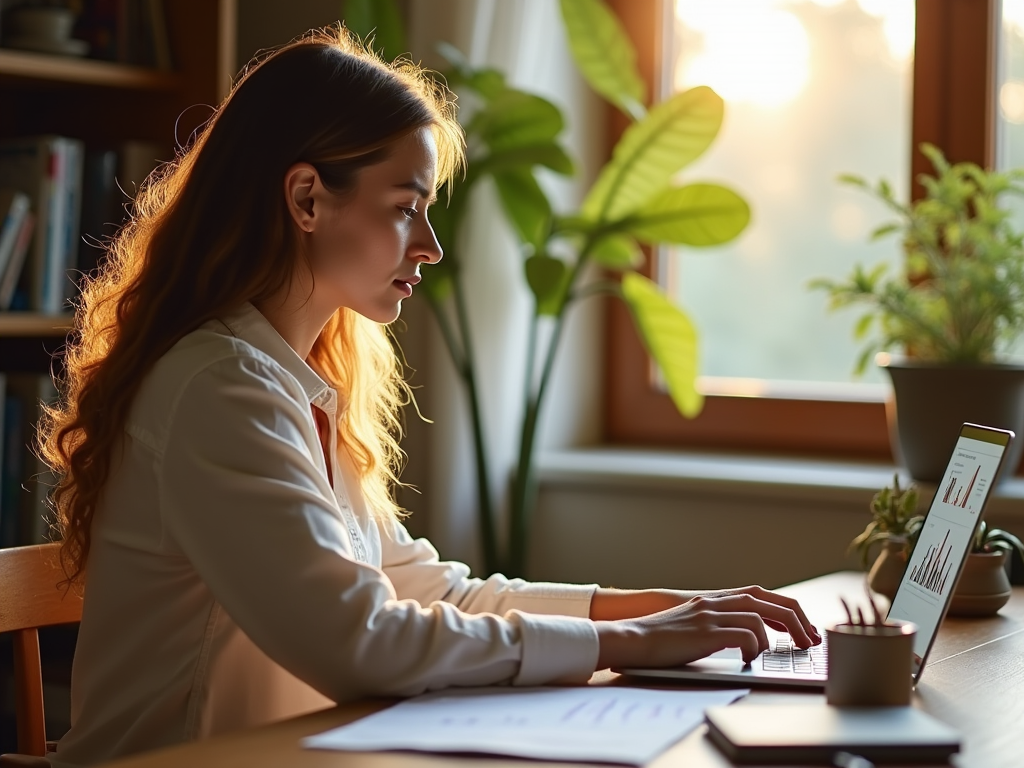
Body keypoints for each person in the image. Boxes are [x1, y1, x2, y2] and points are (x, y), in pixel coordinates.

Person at [40, 27, 819, 768]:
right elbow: (360, 643)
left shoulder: (295, 380)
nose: (431, 246)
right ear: (307, 199)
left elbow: (430, 591)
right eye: (406, 207)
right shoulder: (220, 388)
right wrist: (631, 644)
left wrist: (657, 613)